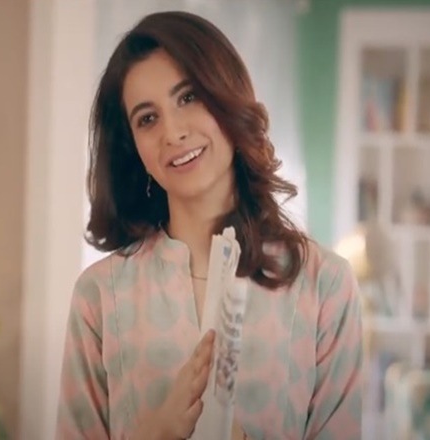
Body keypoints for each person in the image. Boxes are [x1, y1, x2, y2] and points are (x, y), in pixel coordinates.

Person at [56, 10, 362, 440]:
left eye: (188, 98)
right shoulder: (99, 297)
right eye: (147, 118)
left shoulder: (325, 286)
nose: (173, 132)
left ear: (226, 98)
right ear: (133, 148)